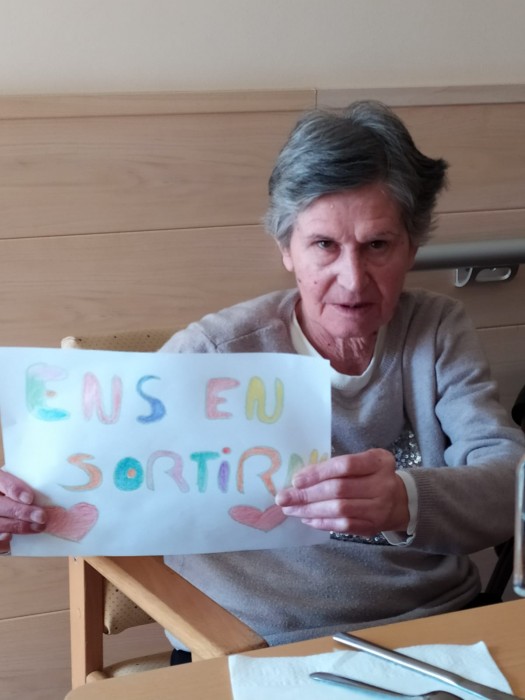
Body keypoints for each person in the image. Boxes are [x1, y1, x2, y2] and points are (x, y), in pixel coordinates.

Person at [1, 101, 524, 650]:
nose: (352, 279)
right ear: (286, 249)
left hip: (439, 625)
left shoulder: (436, 329)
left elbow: (510, 480)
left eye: (378, 245)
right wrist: (17, 507)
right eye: (324, 245)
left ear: (412, 247)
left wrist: (405, 499)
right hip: (260, 643)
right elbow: (75, 476)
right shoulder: (213, 354)